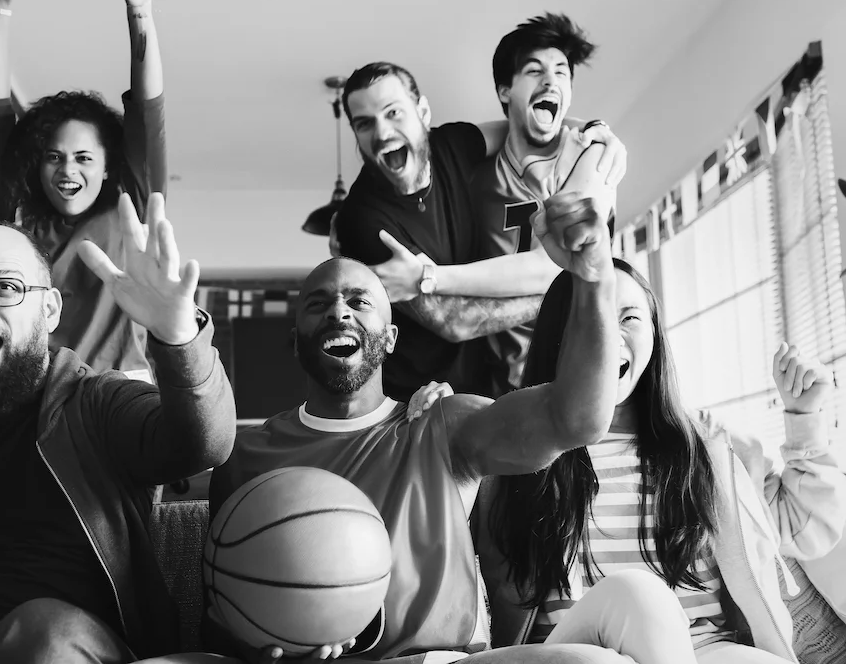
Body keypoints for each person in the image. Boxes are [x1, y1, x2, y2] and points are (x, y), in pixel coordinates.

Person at [202, 193, 673, 663]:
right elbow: (217, 619)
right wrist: (268, 640)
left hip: (438, 662)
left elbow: (574, 420)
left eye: (359, 301)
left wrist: (592, 279)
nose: (339, 312)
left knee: (595, 659)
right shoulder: (245, 455)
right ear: (295, 339)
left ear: (390, 339)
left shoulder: (444, 425)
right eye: (319, 303)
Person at [0, 193, 235, 663]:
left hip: (49, 651)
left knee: (45, 635)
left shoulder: (96, 402)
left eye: (6, 287)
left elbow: (203, 444)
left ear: (49, 310)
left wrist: (179, 339)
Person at [458, 259, 846, 663]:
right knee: (639, 597)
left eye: (629, 317)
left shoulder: (709, 448)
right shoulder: (512, 449)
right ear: (557, 337)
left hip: (707, 650)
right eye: (589, 318)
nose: (609, 335)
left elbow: (810, 531)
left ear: (655, 335)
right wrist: (430, 428)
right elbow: (437, 531)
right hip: (579, 650)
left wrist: (804, 419)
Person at [331, 60, 626, 401]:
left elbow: (527, 128)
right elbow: (455, 321)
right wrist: (566, 290)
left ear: (423, 113)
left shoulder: (452, 144)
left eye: (393, 112)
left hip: (486, 386)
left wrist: (595, 131)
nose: (382, 133)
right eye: (365, 124)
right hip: (415, 402)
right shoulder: (362, 219)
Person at [0, 0, 167, 381]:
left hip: (121, 384)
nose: (68, 169)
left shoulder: (130, 202)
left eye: (83, 157)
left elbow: (148, 111)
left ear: (108, 165)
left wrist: (140, 11)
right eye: (54, 156)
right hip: (35, 385)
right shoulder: (17, 214)